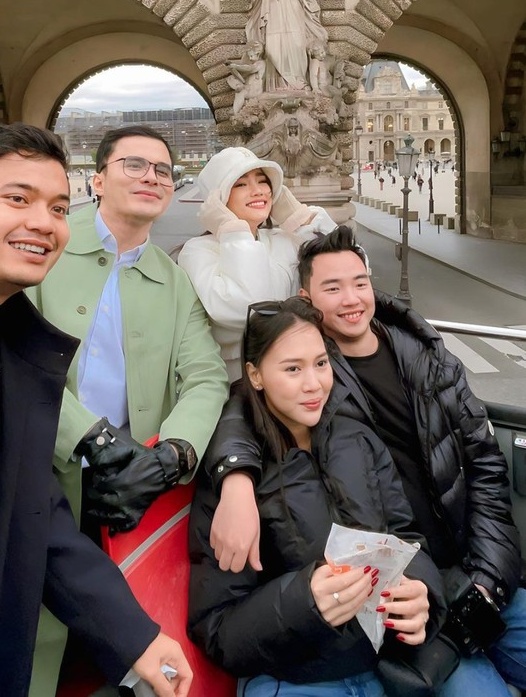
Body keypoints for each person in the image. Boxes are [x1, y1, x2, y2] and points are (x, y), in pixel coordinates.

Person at [0, 121, 191, 697]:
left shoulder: (19, 346)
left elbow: (32, 513)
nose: (43, 223)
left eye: (56, 206)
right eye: (17, 199)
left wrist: (137, 637)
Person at [205, 225, 526, 696]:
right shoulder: (317, 370)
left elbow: (484, 465)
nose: (351, 298)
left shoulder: (427, 352)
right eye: (332, 288)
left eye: (359, 282)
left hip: (469, 568)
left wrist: (488, 578)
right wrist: (233, 474)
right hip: (404, 584)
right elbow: (247, 402)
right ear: (307, 299)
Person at [28, 124, 229, 696]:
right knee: (36, 638)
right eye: (135, 165)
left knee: (133, 637)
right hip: (41, 474)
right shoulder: (48, 248)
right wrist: (89, 437)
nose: (152, 178)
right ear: (97, 180)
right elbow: (14, 355)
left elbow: (207, 376)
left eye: (163, 171)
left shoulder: (174, 280)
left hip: (129, 490)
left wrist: (171, 455)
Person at [188, 297, 446, 697]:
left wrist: (421, 591)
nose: (314, 384)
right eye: (293, 369)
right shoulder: (234, 479)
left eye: (321, 363)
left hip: (388, 660)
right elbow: (218, 628)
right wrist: (304, 601)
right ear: (255, 376)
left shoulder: (356, 439)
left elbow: (406, 537)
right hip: (294, 675)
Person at [177, 147, 336, 383]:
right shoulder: (198, 251)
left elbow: (345, 269)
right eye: (241, 184)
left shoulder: (284, 240)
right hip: (237, 383)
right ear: (217, 200)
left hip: (299, 378)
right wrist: (234, 232)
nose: (258, 191)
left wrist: (299, 218)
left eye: (263, 182)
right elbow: (248, 308)